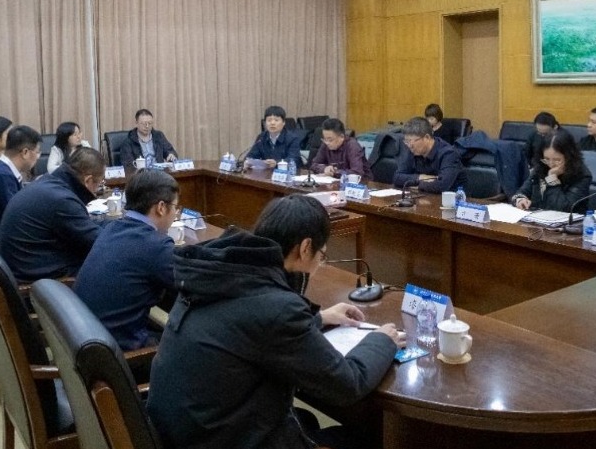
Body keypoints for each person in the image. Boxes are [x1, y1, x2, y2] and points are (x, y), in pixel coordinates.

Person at [147, 195, 404, 449]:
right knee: (361, 439)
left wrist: (319, 318)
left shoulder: (213, 273)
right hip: (224, 436)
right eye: (322, 255)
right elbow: (347, 385)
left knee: (307, 420)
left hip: (186, 429)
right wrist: (382, 340)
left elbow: (248, 327)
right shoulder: (277, 308)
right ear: (305, 248)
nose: (320, 263)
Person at [74, 170, 180, 350]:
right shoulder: (156, 245)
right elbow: (192, 284)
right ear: (161, 207)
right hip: (117, 353)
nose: (176, 213)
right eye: (176, 207)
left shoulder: (111, 227)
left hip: (86, 337)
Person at [0, 146, 108, 283]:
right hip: (40, 282)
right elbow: (100, 243)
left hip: (28, 267)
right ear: (88, 180)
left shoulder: (50, 183)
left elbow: (83, 226)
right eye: (100, 183)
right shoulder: (62, 199)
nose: (98, 189)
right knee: (114, 264)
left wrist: (115, 225)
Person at [513, 132, 594, 213]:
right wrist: (520, 200)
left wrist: (552, 179)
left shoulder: (582, 175)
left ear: (569, 157)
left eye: (557, 160)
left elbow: (563, 208)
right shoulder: (541, 167)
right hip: (538, 217)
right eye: (546, 159)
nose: (551, 164)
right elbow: (521, 192)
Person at [392, 117, 463, 193]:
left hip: (453, 198)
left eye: (411, 141)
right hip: (424, 196)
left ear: (427, 137)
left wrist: (418, 186)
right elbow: (397, 177)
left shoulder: (449, 154)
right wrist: (421, 177)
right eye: (406, 141)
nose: (409, 146)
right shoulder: (413, 150)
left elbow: (442, 185)